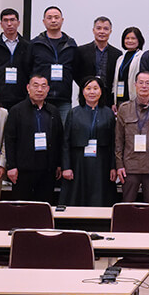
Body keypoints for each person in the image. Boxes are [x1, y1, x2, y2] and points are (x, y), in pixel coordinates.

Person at [4, 74, 63, 203]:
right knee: (22, 207)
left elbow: (59, 139)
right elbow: (10, 140)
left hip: (47, 170)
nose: (39, 90)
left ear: (48, 89)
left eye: (43, 86)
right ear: (28, 88)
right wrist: (11, 166)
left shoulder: (53, 111)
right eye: (35, 86)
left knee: (43, 206)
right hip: (23, 170)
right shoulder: (17, 110)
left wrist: (59, 164)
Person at [59, 77, 117, 206]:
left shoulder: (108, 113)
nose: (92, 92)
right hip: (79, 162)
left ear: (101, 91)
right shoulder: (73, 113)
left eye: (95, 88)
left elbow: (114, 143)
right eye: (88, 88)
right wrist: (66, 167)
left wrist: (113, 167)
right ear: (82, 91)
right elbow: (66, 142)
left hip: (101, 162)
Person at [115, 71, 149, 202]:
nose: (144, 86)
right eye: (141, 83)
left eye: (147, 83)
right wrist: (119, 165)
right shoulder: (124, 108)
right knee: (127, 205)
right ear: (135, 85)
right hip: (130, 165)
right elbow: (119, 140)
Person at [30, 6, 78, 123]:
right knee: (41, 129)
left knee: (64, 131)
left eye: (56, 17)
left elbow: (76, 69)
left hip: (63, 99)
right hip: (40, 98)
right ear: (43, 21)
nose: (53, 20)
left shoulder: (71, 44)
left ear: (62, 20)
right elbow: (27, 68)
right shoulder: (35, 44)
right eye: (49, 18)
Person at [74, 16, 122, 109]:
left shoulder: (117, 54)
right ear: (93, 30)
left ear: (110, 31)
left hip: (108, 98)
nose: (102, 32)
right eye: (99, 28)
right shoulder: (81, 51)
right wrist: (86, 86)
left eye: (106, 29)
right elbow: (75, 73)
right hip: (87, 96)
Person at [111, 26, 145, 109]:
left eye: (133, 38)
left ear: (139, 40)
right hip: (119, 99)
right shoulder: (120, 58)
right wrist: (114, 102)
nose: (130, 41)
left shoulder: (142, 56)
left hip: (134, 99)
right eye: (127, 38)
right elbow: (115, 80)